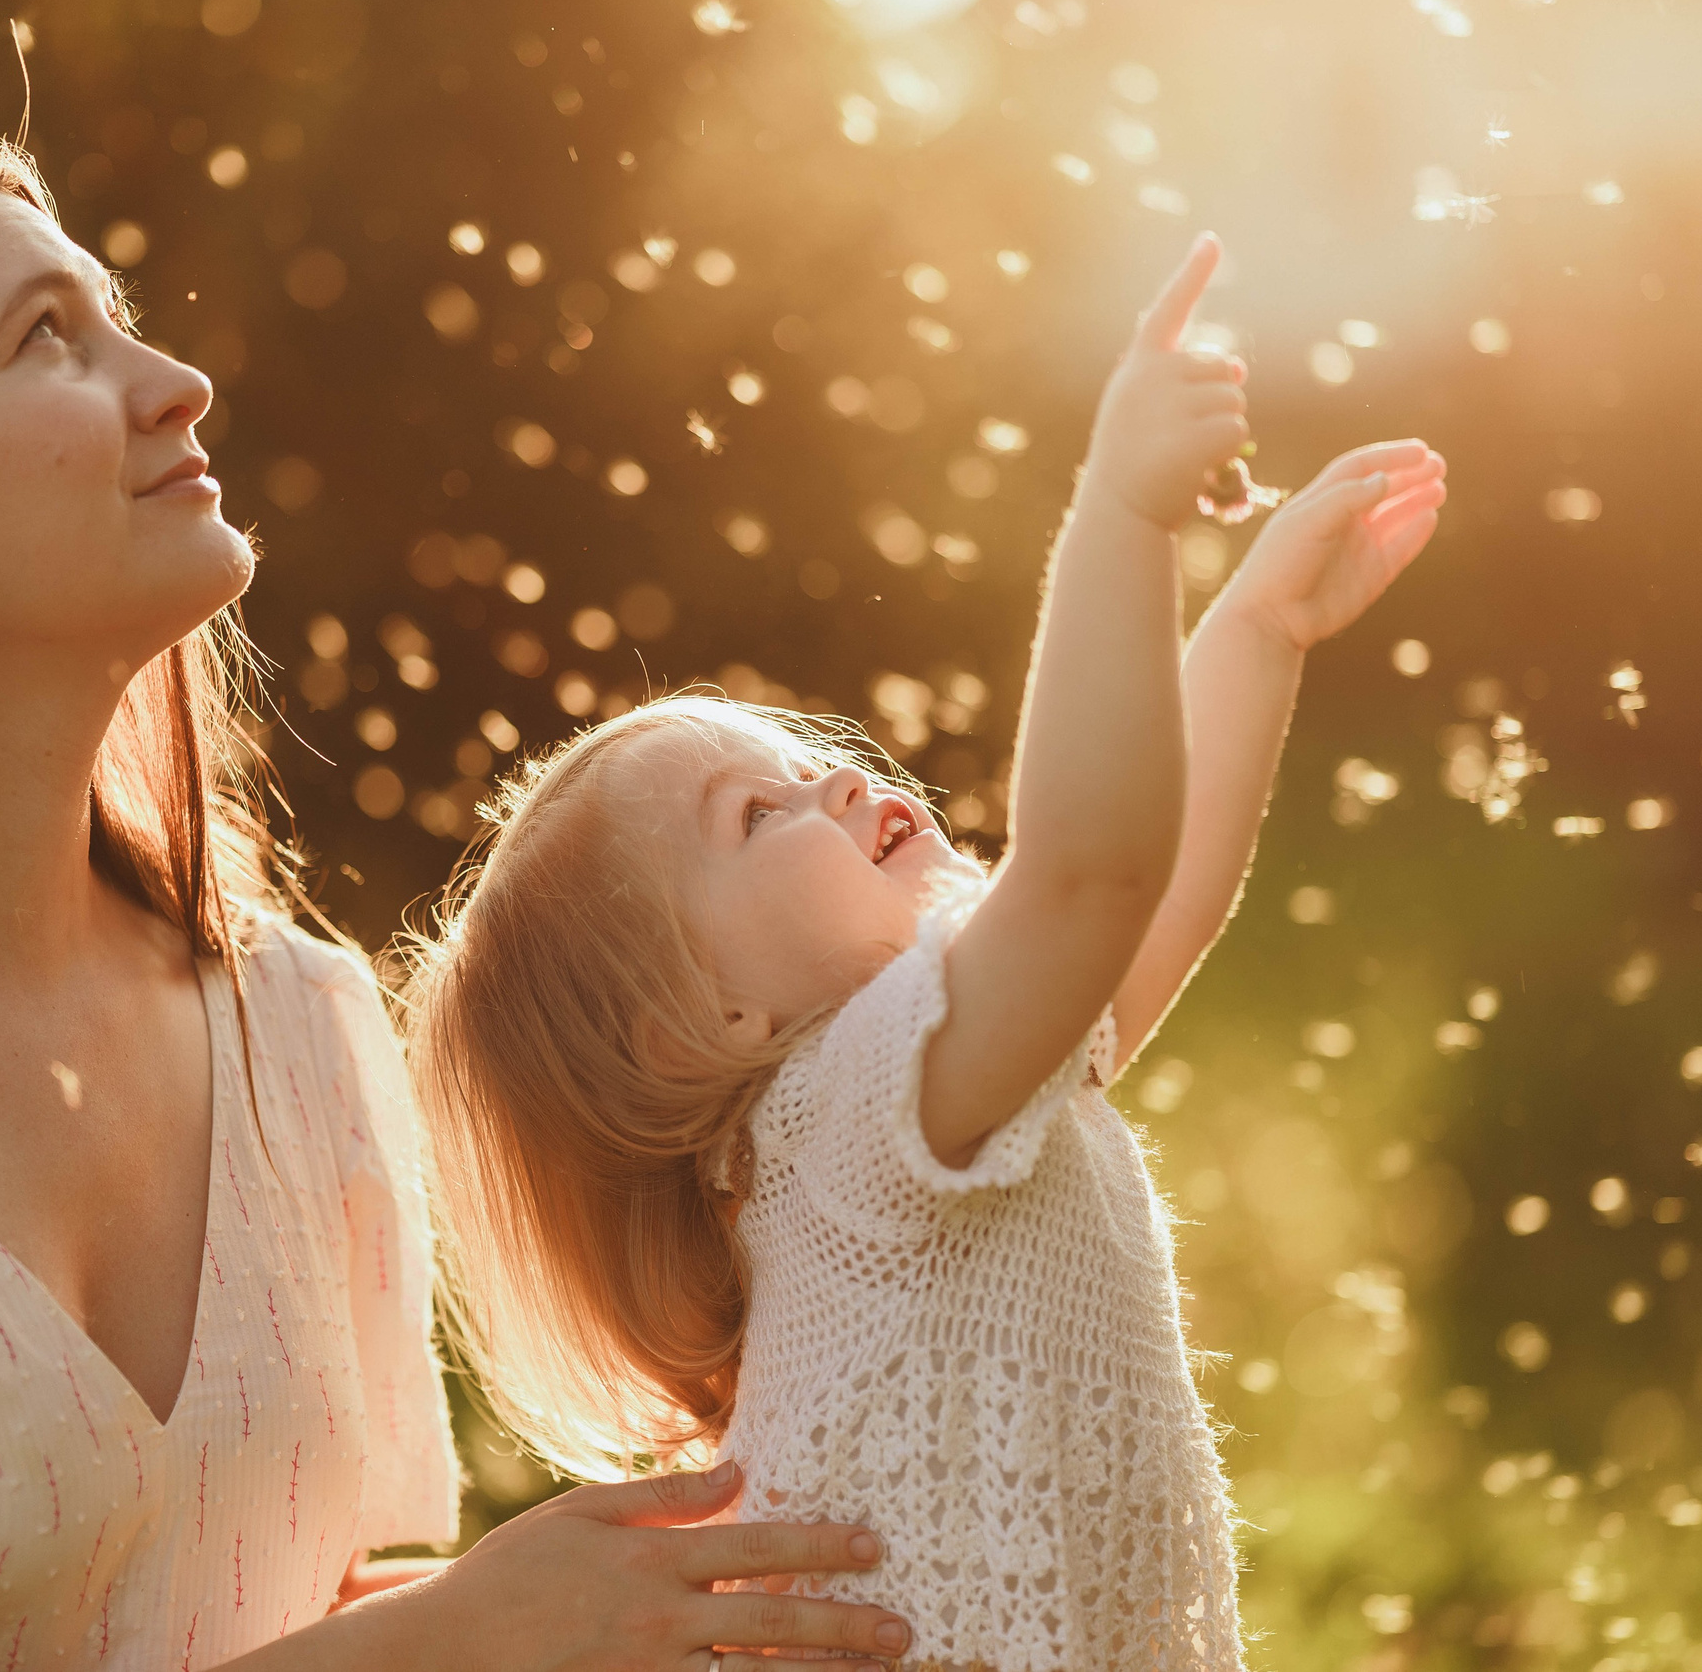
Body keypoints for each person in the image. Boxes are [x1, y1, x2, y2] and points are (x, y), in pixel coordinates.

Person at [0, 124, 914, 1671]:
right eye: (46, 339)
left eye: (114, 312)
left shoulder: (298, 1023)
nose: (174, 383)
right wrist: (451, 1647)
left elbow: (305, 1603)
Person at [405, 235, 1448, 1668]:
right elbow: (1093, 872)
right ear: (692, 1021)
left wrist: (1259, 623)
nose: (835, 783)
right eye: (759, 813)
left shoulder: (952, 1078)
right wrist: (1121, 519)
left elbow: (1145, 907)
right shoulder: (848, 1120)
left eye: (806, 760)